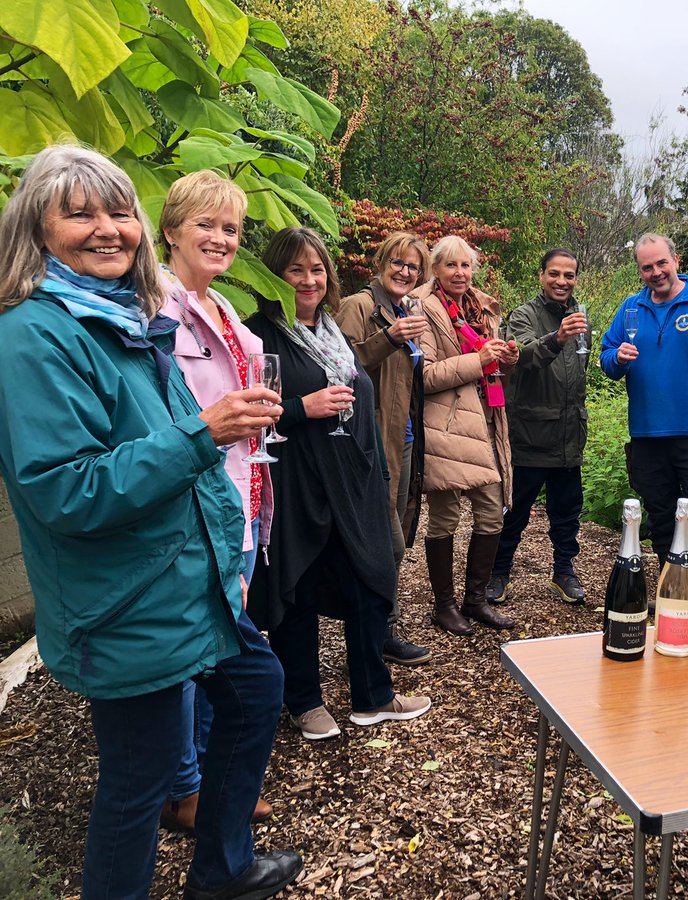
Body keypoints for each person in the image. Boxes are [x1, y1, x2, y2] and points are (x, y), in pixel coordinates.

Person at [0, 145, 300, 899]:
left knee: (257, 689)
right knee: (139, 784)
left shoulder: (124, 320)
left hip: (189, 583)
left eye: (118, 210)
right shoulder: (33, 336)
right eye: (79, 213)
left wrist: (228, 540)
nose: (107, 229)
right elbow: (66, 491)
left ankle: (223, 868)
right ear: (35, 230)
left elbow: (178, 463)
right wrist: (206, 432)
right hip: (124, 602)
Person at [246, 227, 431, 742]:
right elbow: (241, 417)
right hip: (299, 480)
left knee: (372, 581)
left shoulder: (332, 331)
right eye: (295, 270)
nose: (308, 280)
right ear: (274, 276)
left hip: (355, 479)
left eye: (317, 269)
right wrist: (300, 409)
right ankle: (303, 700)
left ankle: (373, 695)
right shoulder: (258, 333)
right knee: (299, 590)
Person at [157, 169, 275, 833]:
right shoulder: (158, 306)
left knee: (222, 645)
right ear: (172, 229)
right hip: (196, 504)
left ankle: (201, 772)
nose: (220, 237)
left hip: (245, 494)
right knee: (190, 649)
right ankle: (181, 785)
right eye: (206, 223)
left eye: (230, 228)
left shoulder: (224, 308)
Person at [599, 233, 688, 578]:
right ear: (640, 271)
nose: (656, 272)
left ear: (676, 261)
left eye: (662, 263)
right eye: (647, 267)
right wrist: (617, 358)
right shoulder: (631, 308)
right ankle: (672, 594)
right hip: (648, 435)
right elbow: (606, 357)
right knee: (662, 520)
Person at [409, 235, 519, 635]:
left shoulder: (481, 307)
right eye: (451, 265)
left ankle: (475, 600)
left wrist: (503, 359)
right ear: (435, 269)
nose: (460, 272)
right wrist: (479, 359)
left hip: (486, 420)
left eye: (466, 265)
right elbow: (422, 375)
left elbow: (487, 366)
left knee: (492, 512)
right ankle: (444, 605)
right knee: (445, 516)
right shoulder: (423, 308)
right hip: (445, 425)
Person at [333, 231, 432, 666]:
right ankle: (375, 629)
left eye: (413, 267)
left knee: (394, 538)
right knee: (386, 542)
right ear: (381, 262)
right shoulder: (358, 306)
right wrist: (389, 338)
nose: (405, 271)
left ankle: (379, 627)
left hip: (403, 438)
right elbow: (338, 364)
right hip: (368, 439)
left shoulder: (404, 309)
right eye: (398, 262)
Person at [486, 249, 589, 606]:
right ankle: (498, 573)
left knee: (567, 512)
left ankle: (564, 571)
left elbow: (579, 373)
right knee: (514, 512)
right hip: (530, 434)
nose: (562, 281)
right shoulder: (524, 315)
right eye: (555, 274)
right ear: (541, 275)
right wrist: (557, 338)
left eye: (569, 275)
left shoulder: (581, 315)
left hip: (568, 436)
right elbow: (524, 356)